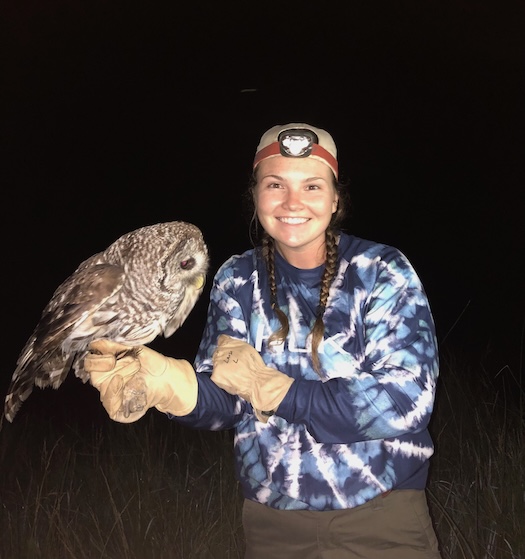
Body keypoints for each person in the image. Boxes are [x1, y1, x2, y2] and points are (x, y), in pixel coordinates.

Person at [85, 123, 443, 559]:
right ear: (255, 196)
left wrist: (280, 392)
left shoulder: (381, 270)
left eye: (312, 186)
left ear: (335, 200)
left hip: (382, 521)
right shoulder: (237, 278)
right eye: (275, 185)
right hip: (272, 527)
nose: (293, 202)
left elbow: (407, 398)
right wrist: (172, 386)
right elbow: (229, 399)